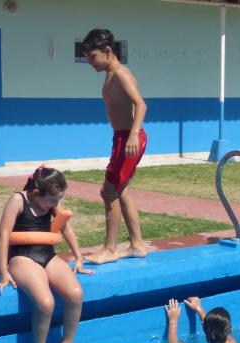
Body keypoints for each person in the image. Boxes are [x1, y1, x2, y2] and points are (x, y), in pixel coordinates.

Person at [0, 167, 93, 343]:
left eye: (59, 199)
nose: (56, 204)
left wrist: (79, 257)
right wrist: (3, 272)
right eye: (52, 200)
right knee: (46, 303)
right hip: (23, 258)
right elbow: (3, 234)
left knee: (75, 294)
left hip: (48, 255)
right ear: (36, 192)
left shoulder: (51, 202)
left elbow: (66, 229)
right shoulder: (18, 200)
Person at [81, 29, 149, 263]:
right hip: (121, 137)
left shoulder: (120, 73)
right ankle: (137, 244)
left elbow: (141, 105)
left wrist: (133, 135)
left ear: (108, 51)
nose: (89, 62)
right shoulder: (110, 74)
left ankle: (110, 249)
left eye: (92, 57)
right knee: (121, 190)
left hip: (129, 138)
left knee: (108, 191)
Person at [164, 297, 238, 343]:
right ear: (230, 330)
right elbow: (212, 328)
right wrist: (199, 308)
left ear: (205, 330)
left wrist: (173, 320)